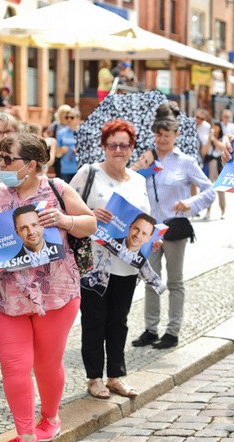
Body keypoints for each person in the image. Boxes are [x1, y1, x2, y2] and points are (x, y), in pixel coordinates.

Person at [0, 133, 96, 442]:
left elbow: (90, 224)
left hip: (56, 295)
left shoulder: (58, 189)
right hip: (8, 297)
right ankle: (25, 435)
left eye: (8, 159)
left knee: (46, 363)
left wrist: (64, 220)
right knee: (15, 366)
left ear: (33, 164)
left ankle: (50, 418)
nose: (1, 164)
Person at [72, 120, 154, 399]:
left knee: (119, 320)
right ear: (103, 146)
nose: (118, 150)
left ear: (132, 148)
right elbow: (66, 209)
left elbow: (146, 220)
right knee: (94, 319)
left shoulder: (139, 180)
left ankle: (116, 376)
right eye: (112, 145)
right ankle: (94, 378)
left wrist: (153, 238)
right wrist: (91, 214)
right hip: (95, 263)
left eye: (124, 145)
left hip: (127, 263)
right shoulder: (89, 173)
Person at [129, 116, 216, 350]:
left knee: (175, 280)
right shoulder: (147, 159)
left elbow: (210, 190)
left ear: (176, 135)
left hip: (175, 228)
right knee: (150, 279)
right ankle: (150, 329)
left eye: (167, 134)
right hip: (149, 230)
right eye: (158, 134)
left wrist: (190, 203)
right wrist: (138, 167)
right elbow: (130, 184)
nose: (162, 138)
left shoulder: (185, 162)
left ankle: (172, 331)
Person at [203, 122, 228, 220]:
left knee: (221, 189)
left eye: (216, 126)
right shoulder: (208, 137)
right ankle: (208, 211)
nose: (214, 128)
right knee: (208, 189)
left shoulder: (223, 138)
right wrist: (210, 139)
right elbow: (204, 151)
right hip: (210, 164)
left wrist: (214, 139)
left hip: (219, 165)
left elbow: (223, 147)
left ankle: (223, 211)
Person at [57, 108, 81, 183]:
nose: (69, 120)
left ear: (78, 119)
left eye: (72, 117)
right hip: (65, 169)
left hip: (80, 169)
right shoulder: (62, 132)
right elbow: (57, 154)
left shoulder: (83, 132)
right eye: (67, 117)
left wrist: (79, 150)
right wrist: (62, 150)